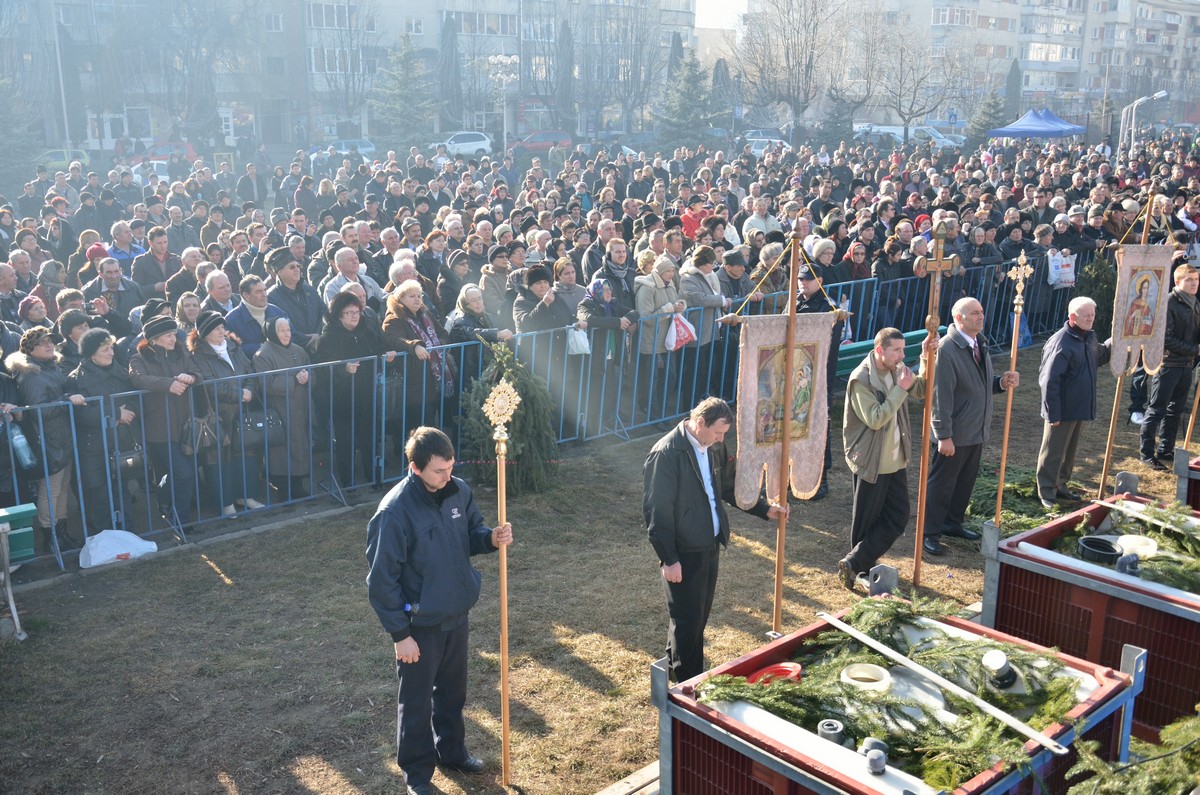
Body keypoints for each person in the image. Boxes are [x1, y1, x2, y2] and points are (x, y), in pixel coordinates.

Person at [365, 426, 512, 795]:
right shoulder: (394, 513)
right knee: (415, 703)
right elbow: (381, 582)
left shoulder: (459, 491)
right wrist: (401, 635)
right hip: (420, 626)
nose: (447, 477)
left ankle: (452, 751)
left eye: (450, 468)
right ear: (415, 468)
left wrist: (490, 538)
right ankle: (417, 774)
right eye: (438, 471)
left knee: (452, 693)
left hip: (456, 614)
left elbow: (472, 532)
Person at [644, 397, 786, 682]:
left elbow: (729, 487)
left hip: (709, 543)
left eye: (724, 434)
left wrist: (763, 508)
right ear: (699, 423)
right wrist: (669, 559)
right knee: (687, 619)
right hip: (684, 550)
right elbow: (657, 512)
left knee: (698, 617)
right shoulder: (667, 454)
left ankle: (677, 672)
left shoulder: (713, 448)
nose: (722, 439)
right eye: (718, 432)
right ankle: (690, 684)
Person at [924, 297, 1019, 556]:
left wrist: (1000, 382)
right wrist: (943, 435)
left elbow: (979, 384)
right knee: (942, 484)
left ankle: (952, 523)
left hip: (976, 430)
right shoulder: (946, 350)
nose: (981, 316)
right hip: (954, 433)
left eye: (982, 311)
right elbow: (939, 396)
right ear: (958, 318)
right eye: (974, 313)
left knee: (964, 482)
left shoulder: (980, 343)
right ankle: (929, 531)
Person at [839, 328, 933, 589]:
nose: (902, 356)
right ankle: (859, 569)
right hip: (871, 460)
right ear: (880, 350)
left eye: (904, 350)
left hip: (895, 459)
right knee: (866, 521)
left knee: (899, 515)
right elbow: (876, 418)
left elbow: (921, 390)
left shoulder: (897, 369)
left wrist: (925, 358)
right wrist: (900, 389)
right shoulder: (862, 379)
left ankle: (854, 562)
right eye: (897, 350)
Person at [128, 314, 204, 528]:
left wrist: (192, 377)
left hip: (185, 426)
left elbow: (198, 373)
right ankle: (181, 519)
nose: (173, 338)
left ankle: (169, 508)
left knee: (179, 472)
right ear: (153, 339)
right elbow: (138, 378)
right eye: (167, 335)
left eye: (173, 334)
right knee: (183, 472)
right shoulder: (139, 358)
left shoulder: (181, 353)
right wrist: (168, 384)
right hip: (158, 428)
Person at [1036, 297, 1112, 507]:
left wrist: (1116, 341)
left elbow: (1099, 356)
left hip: (1079, 406)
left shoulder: (1087, 337)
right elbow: (1049, 380)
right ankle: (1046, 491)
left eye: (1093, 314)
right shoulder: (1061, 342)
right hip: (1062, 408)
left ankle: (1061, 484)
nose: (1090, 318)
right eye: (1085, 315)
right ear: (1072, 317)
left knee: (1069, 451)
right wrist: (1053, 413)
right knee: (1053, 451)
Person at [1140, 264, 1200, 470]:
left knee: (1176, 410)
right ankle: (1146, 454)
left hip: (1186, 365)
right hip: (1168, 364)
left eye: (1196, 279)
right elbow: (1166, 338)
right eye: (1189, 280)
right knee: (1157, 410)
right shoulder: (1168, 303)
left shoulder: (1195, 304)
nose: (1194, 283)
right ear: (1177, 282)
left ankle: (1165, 449)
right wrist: (1195, 350)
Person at [254, 317, 314, 500]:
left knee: (299, 447)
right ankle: (283, 489)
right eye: (281, 330)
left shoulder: (299, 350)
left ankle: (298, 485)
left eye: (288, 330)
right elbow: (265, 383)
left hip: (300, 405)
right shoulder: (263, 354)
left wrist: (308, 377)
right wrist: (294, 380)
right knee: (281, 451)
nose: (287, 334)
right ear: (272, 332)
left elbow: (312, 371)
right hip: (279, 409)